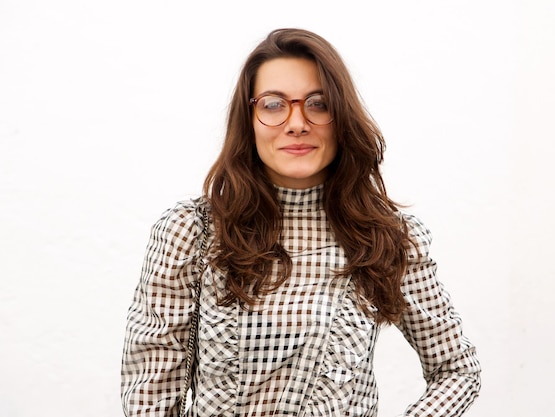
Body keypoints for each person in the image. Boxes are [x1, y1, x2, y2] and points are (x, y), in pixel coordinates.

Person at [121, 28, 481, 417]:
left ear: (341, 116)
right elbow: (149, 399)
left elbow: (457, 370)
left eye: (319, 103)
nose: (297, 123)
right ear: (249, 117)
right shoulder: (190, 232)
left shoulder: (386, 237)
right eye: (274, 104)